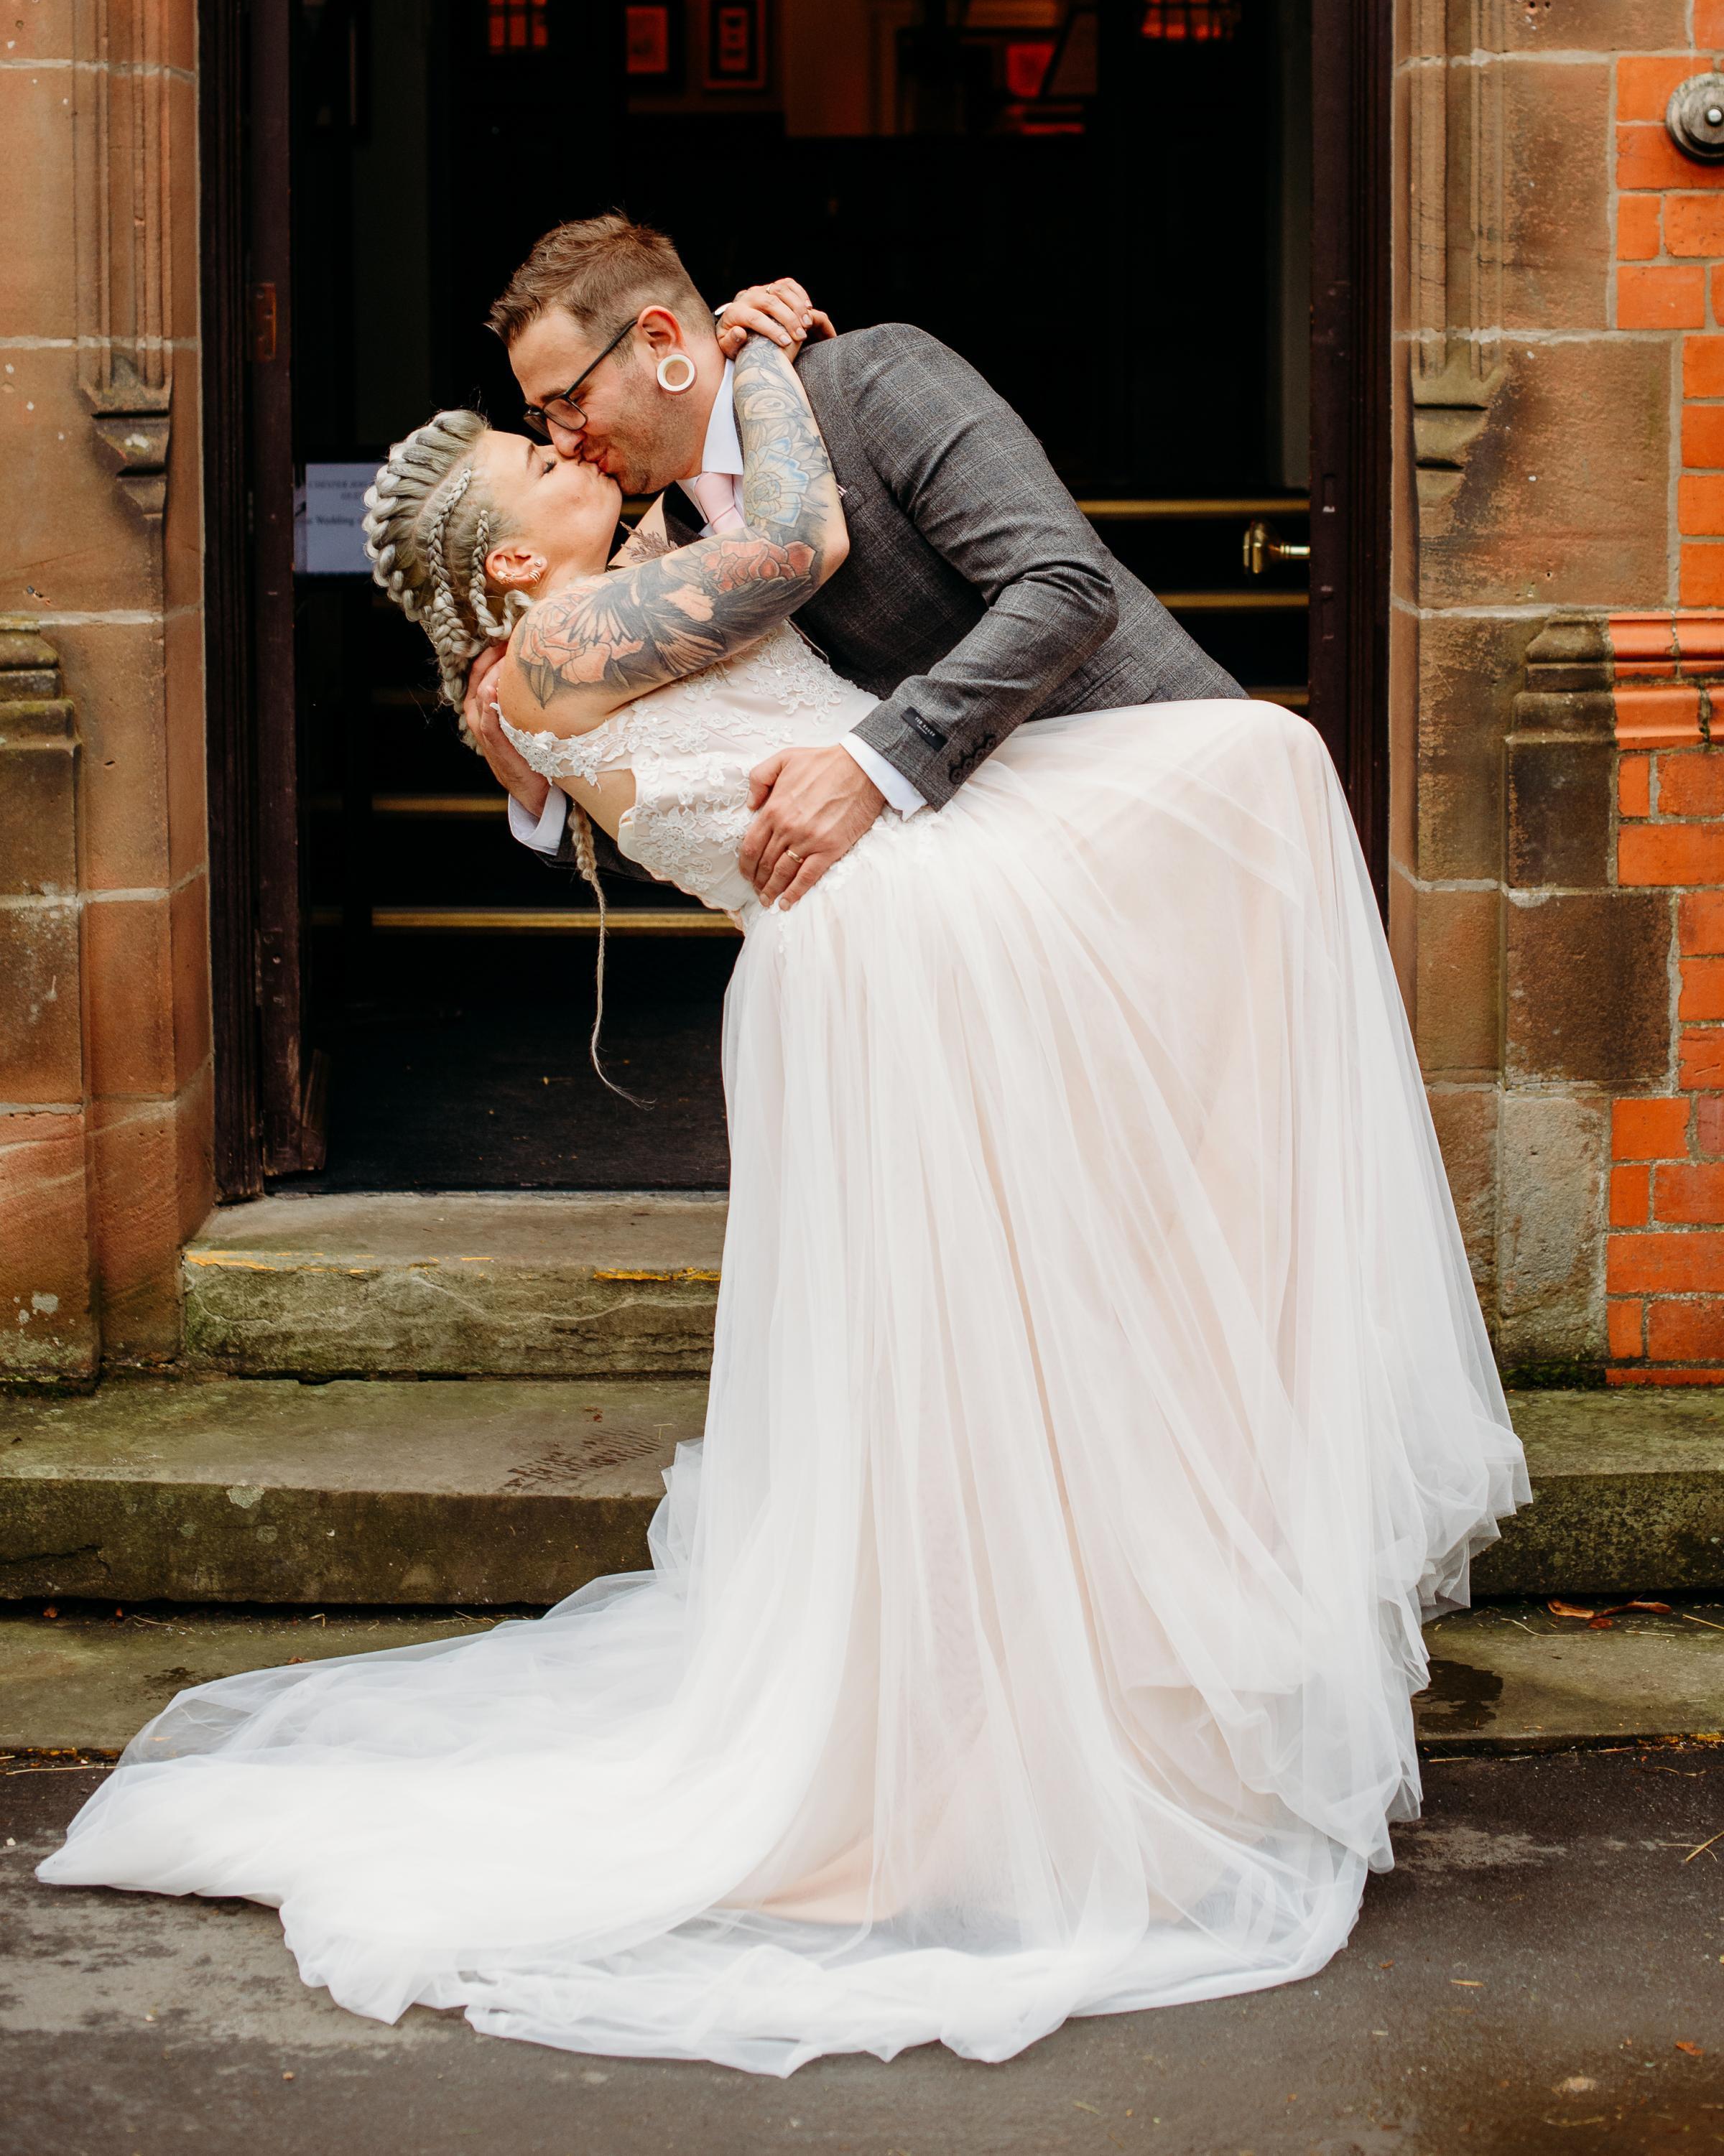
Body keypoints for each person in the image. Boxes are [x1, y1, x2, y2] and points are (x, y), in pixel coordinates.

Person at [40, 233, 1529, 2077]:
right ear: (511, 562)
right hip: (889, 961)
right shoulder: (573, 637)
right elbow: (803, 548)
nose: (572, 451)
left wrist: (743, 370)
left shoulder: (584, 622)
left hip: (901, 938)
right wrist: (754, 357)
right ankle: (962, 1772)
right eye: (542, 455)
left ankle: (1026, 1736)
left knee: (985, 1362)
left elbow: (833, 563)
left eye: (564, 414)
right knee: (1235, 823)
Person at [464, 215, 1244, 913]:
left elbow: (1065, 586)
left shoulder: (870, 378)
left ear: (660, 340)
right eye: (542, 418)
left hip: (1168, 801)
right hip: (1005, 901)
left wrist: (872, 766)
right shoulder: (667, 556)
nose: (562, 439)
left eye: (567, 400)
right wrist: (543, 784)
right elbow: (720, 823)